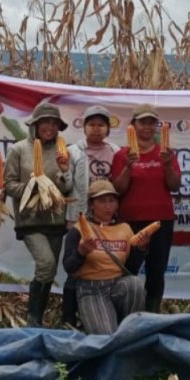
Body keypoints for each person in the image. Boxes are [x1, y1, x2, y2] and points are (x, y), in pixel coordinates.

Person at [4, 101, 74, 326]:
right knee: (46, 263)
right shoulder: (18, 150)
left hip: (55, 220)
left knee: (49, 271)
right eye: (45, 122)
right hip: (30, 220)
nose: (50, 128)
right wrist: (33, 187)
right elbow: (9, 185)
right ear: (35, 124)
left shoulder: (63, 151)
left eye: (54, 123)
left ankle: (37, 318)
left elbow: (66, 188)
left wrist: (64, 172)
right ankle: (32, 318)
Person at [110, 104, 181, 313]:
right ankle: (125, 314)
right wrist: (127, 167)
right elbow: (118, 189)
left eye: (152, 123)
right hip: (130, 220)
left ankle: (152, 315)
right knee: (128, 269)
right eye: (143, 123)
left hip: (161, 220)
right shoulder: (122, 155)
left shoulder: (166, 153)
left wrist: (167, 165)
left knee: (156, 271)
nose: (148, 127)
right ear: (133, 125)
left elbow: (175, 186)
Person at [62, 180, 148, 333]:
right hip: (91, 290)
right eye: (102, 201)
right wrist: (81, 252)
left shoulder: (125, 229)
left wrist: (141, 249)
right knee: (106, 337)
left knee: (135, 284)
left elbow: (131, 269)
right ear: (91, 204)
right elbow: (68, 267)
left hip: (117, 285)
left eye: (112, 201)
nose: (108, 206)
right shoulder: (78, 230)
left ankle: (128, 331)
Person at [62, 104, 121, 326]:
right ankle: (68, 318)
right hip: (80, 216)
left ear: (108, 129)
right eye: (92, 124)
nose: (96, 129)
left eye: (101, 125)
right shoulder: (72, 151)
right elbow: (66, 186)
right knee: (75, 268)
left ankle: (99, 312)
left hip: (106, 217)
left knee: (101, 263)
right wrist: (62, 171)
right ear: (84, 127)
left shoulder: (116, 151)